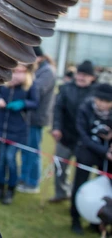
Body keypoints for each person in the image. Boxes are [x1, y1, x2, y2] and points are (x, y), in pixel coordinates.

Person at [0, 63, 38, 205]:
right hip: (1, 128)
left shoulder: (30, 86)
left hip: (17, 130)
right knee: (1, 161)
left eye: (20, 71)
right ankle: (0, 188)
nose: (17, 74)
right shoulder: (4, 82)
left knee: (11, 159)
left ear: (26, 72)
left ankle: (11, 190)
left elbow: (35, 102)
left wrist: (23, 104)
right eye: (14, 70)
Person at [50, 60, 96, 203]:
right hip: (65, 135)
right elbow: (58, 109)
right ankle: (61, 192)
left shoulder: (96, 92)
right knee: (60, 168)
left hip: (85, 140)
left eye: (85, 75)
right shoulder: (65, 88)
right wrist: (56, 127)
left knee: (82, 173)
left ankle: (79, 200)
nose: (81, 77)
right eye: (79, 74)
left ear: (92, 77)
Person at [70, 84, 112, 235]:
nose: (102, 103)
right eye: (100, 99)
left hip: (106, 158)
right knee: (79, 187)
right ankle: (75, 219)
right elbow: (83, 135)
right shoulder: (85, 108)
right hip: (86, 153)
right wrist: (104, 151)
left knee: (104, 188)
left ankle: (99, 220)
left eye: (106, 101)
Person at [18, 47, 56, 194]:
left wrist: (23, 81)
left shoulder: (47, 72)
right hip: (28, 116)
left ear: (38, 57)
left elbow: (36, 90)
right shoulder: (37, 69)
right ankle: (24, 177)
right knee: (26, 150)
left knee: (33, 150)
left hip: (37, 117)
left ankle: (32, 182)